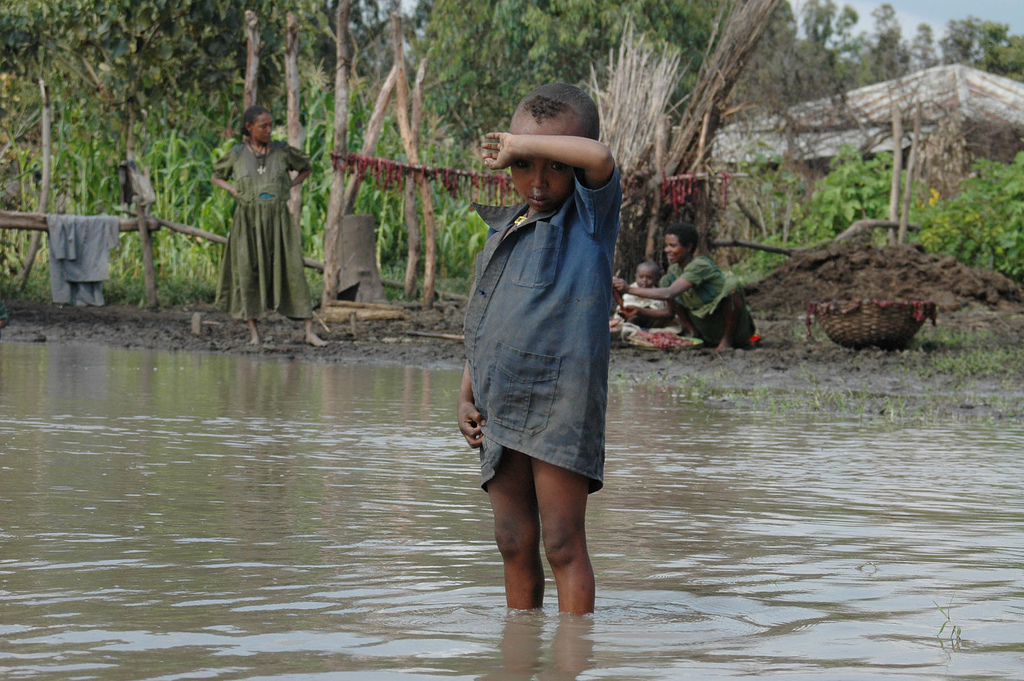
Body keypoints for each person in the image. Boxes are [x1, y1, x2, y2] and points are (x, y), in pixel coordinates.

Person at [457, 83, 620, 615]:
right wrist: (466, 393)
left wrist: (521, 141)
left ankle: (573, 659)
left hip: (561, 404)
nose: (538, 181)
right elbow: (487, 320)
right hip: (499, 404)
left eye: (553, 165)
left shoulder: (591, 223)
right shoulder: (504, 229)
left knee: (563, 545)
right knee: (512, 542)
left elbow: (600, 156)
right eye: (524, 165)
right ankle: (520, 652)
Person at [211, 105, 326, 346]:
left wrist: (290, 187)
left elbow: (306, 167)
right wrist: (232, 189)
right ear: (249, 127)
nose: (269, 130)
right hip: (248, 222)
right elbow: (216, 175)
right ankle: (254, 335)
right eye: (264, 126)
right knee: (248, 271)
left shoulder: (282, 151)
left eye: (271, 125)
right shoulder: (237, 153)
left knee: (293, 270)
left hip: (279, 221)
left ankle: (309, 332)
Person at [613, 222, 755, 351]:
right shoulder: (673, 273)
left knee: (732, 285)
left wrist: (629, 289)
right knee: (666, 281)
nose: (667, 250)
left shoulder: (700, 265)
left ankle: (727, 341)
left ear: (688, 247)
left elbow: (670, 293)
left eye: (672, 246)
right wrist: (638, 311)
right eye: (666, 245)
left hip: (734, 331)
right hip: (707, 331)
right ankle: (694, 334)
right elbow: (668, 313)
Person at [616, 261, 674, 328]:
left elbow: (660, 308)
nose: (645, 280)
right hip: (632, 318)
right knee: (632, 319)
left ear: (656, 279)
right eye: (641, 277)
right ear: (636, 277)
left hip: (650, 320)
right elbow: (625, 306)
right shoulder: (630, 290)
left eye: (649, 278)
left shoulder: (657, 292)